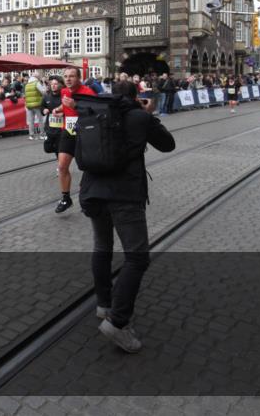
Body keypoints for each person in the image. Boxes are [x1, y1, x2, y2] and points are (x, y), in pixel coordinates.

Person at [80, 80, 176, 352]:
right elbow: (168, 144)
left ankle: (104, 304)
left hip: (92, 192)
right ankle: (118, 322)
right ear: (136, 97)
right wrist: (148, 114)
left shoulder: (91, 113)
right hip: (124, 196)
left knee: (102, 246)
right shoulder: (139, 117)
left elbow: (78, 148)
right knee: (137, 257)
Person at [53, 66, 97, 214]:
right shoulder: (64, 91)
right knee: (62, 166)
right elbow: (65, 105)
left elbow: (95, 111)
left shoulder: (88, 92)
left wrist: (76, 106)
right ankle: (66, 198)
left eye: (72, 76)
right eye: (66, 76)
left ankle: (90, 196)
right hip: (68, 130)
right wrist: (59, 109)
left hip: (85, 132)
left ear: (78, 78)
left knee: (88, 166)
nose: (68, 79)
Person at [24, 70, 45, 140]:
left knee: (31, 121)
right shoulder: (36, 83)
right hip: (37, 104)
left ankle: (31, 135)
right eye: (39, 76)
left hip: (29, 105)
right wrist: (44, 83)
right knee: (40, 120)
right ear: (37, 77)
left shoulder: (27, 84)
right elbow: (43, 91)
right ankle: (42, 135)